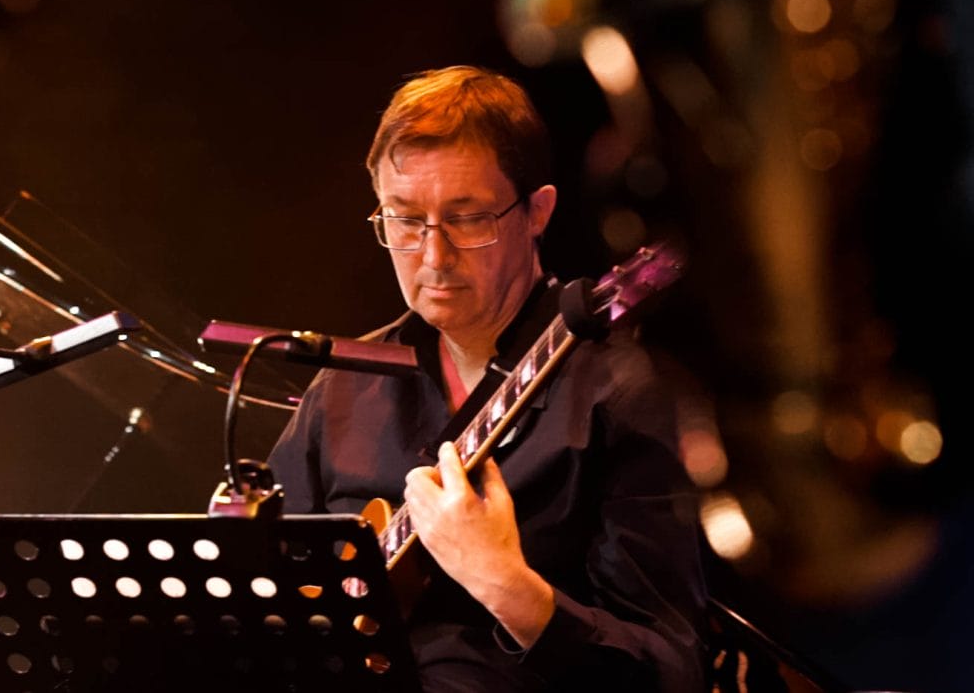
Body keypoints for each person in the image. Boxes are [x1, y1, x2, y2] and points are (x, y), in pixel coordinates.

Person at [268, 65, 709, 692]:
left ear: (537, 212)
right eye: (404, 219)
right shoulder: (343, 384)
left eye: (468, 218)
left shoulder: (618, 392)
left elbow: (671, 673)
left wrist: (506, 585)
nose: (433, 255)